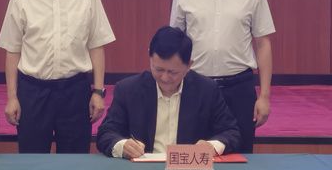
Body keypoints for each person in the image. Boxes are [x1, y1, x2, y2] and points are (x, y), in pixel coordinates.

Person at [0, 0, 115, 153]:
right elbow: (13, 51)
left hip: (75, 91)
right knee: (31, 160)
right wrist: (12, 97)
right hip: (33, 92)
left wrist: (98, 92)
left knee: (74, 161)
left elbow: (96, 46)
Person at [170, 0, 275, 153]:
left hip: (239, 87)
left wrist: (265, 97)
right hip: (195, 86)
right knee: (193, 155)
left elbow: (263, 44)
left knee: (240, 155)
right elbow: (175, 43)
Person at [96, 26, 240, 158]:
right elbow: (106, 133)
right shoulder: (128, 90)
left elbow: (231, 132)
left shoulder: (206, 90)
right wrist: (123, 146)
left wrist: (212, 146)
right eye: (158, 69)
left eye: (172, 72)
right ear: (150, 58)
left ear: (189, 66)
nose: (164, 78)